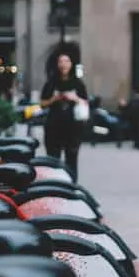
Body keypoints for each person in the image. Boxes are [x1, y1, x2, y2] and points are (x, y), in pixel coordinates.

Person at [39, 53, 89, 181]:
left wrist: (75, 98)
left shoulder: (78, 83)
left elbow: (86, 103)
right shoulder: (51, 83)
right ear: (57, 65)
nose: (63, 64)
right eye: (60, 62)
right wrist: (55, 98)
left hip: (73, 128)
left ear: (71, 64)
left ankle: (71, 185)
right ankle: (54, 185)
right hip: (53, 126)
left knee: (71, 159)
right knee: (52, 160)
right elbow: (42, 103)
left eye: (66, 61)